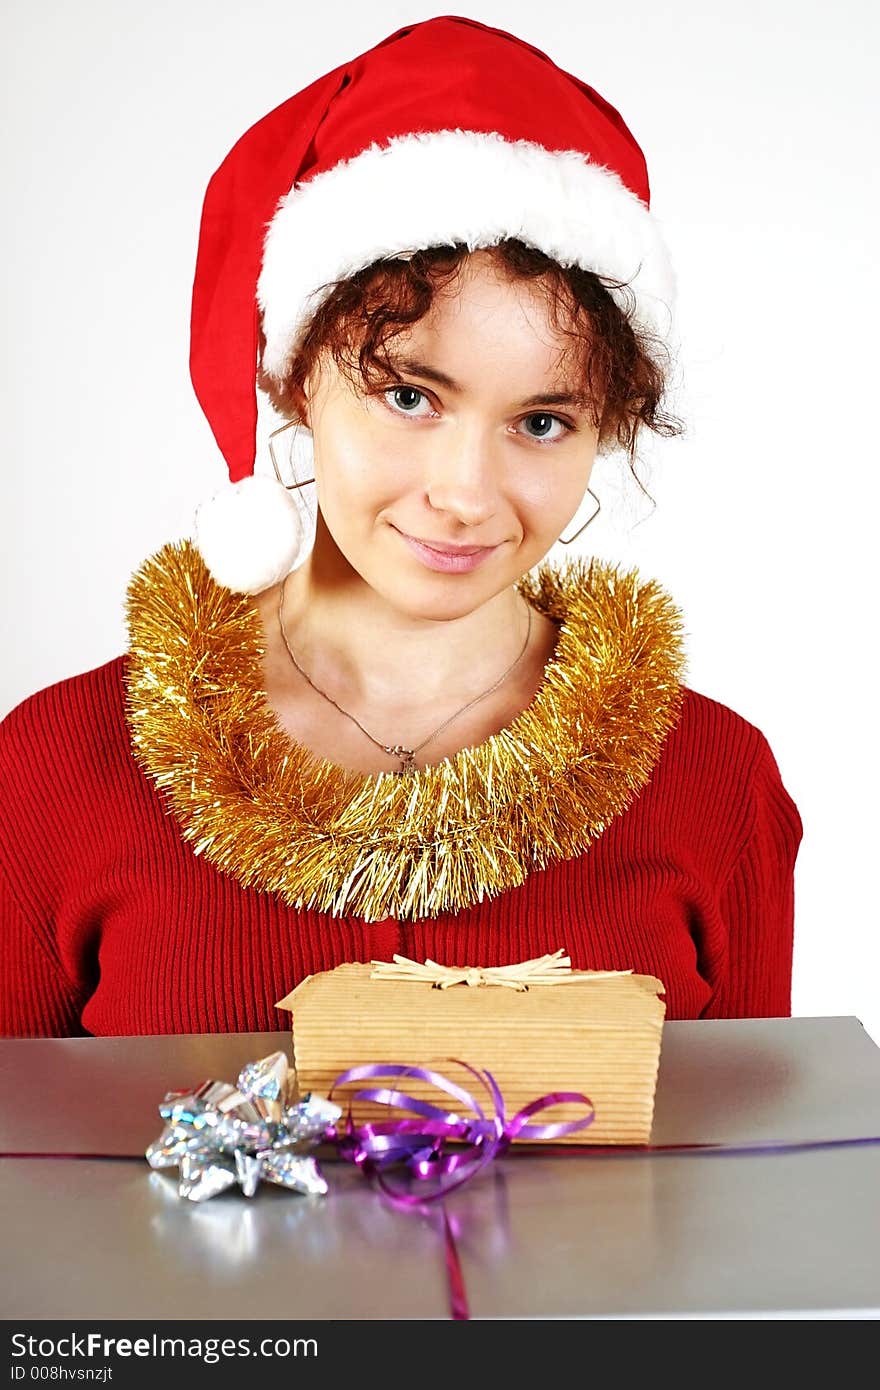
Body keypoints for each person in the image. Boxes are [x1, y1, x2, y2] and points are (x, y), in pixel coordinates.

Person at [0, 15, 801, 1037]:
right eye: (409, 397)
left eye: (541, 421)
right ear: (295, 379)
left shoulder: (714, 780)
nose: (465, 492)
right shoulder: (52, 771)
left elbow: (746, 1183)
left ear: (603, 427)